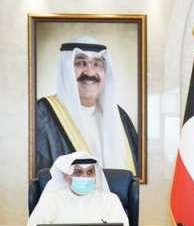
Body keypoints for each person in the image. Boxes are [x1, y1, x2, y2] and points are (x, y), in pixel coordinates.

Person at [35, 37, 138, 175]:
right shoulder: (42, 114)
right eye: (80, 63)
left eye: (97, 64)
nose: (90, 72)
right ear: (66, 69)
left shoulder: (119, 116)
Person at [28, 152, 136, 226]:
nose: (85, 177)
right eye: (78, 172)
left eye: (90, 172)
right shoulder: (51, 199)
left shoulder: (110, 200)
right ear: (66, 176)